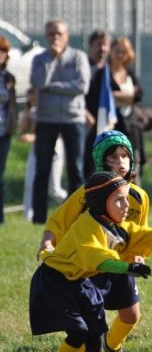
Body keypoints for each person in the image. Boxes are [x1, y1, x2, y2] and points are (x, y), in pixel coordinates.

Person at [30, 171, 152, 352]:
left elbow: (148, 234)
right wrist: (127, 267)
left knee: (95, 335)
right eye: (119, 200)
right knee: (79, 331)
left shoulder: (115, 224)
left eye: (126, 198)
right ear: (102, 202)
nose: (126, 205)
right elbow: (99, 259)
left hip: (80, 281)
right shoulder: (86, 226)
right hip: (56, 281)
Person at [36, 130, 150, 352]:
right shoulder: (87, 195)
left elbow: (140, 234)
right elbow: (58, 222)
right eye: (113, 158)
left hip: (122, 265)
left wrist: (139, 255)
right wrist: (48, 241)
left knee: (131, 316)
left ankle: (112, 346)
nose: (120, 163)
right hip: (92, 267)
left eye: (125, 157)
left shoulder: (140, 197)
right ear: (101, 162)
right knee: (90, 330)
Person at [30, 19, 91, 224]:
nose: (55, 37)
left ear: (67, 35)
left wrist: (53, 86)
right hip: (46, 120)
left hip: (73, 119)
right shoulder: (40, 59)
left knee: (75, 168)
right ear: (46, 36)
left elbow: (82, 86)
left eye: (59, 33)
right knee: (43, 168)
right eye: (51, 34)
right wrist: (52, 61)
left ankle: (76, 216)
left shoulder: (79, 57)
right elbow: (38, 83)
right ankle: (39, 217)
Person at [19, 88, 68, 221]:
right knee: (30, 183)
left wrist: (33, 137)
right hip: (36, 149)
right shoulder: (31, 110)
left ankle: (75, 205)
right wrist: (26, 113)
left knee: (54, 189)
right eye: (30, 98)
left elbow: (52, 135)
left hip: (54, 149)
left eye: (34, 97)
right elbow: (22, 130)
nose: (32, 100)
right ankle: (27, 217)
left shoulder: (49, 111)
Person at [109, 37, 146, 183]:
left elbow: (138, 95)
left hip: (131, 126)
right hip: (114, 126)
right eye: (117, 51)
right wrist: (127, 97)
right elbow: (108, 97)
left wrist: (119, 97)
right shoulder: (105, 73)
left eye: (123, 52)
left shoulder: (129, 73)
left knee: (133, 163)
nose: (120, 55)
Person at [84, 29, 111, 178]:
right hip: (87, 121)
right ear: (91, 46)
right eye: (98, 44)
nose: (102, 49)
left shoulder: (109, 68)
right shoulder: (84, 66)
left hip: (104, 122)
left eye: (105, 44)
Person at [0, 35, 17, 224]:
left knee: (0, 176)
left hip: (3, 132)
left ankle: (0, 217)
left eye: (3, 51)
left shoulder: (9, 79)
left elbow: (11, 105)